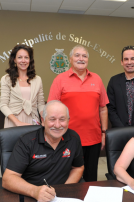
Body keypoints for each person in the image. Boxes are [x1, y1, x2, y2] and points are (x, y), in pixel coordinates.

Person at [48, 45, 109, 182]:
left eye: (84, 56)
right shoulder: (60, 80)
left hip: (93, 138)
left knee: (90, 177)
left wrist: (104, 133)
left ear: (88, 59)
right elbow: (51, 108)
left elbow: (103, 108)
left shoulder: (97, 79)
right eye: (77, 55)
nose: (81, 58)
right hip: (67, 138)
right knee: (68, 177)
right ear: (70, 59)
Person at [2, 100, 84, 202]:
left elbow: (78, 167)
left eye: (62, 119)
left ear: (68, 120)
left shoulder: (73, 138)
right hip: (31, 196)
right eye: (52, 119)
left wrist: (64, 190)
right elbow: (8, 179)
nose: (58, 125)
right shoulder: (27, 142)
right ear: (43, 120)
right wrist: (34, 191)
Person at [0, 44, 45, 128]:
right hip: (14, 121)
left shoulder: (37, 79)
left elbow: (41, 104)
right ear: (14, 60)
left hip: (33, 120)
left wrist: (44, 119)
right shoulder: (6, 79)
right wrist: (17, 122)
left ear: (30, 60)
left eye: (26, 57)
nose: (23, 61)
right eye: (20, 57)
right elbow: (3, 105)